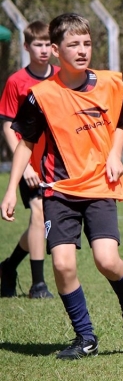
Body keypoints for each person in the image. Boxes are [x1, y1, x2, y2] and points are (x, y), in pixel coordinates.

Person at [1, 13, 123, 359]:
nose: (82, 50)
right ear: (56, 50)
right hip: (58, 190)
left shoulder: (109, 84)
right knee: (63, 264)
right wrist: (11, 189)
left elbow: (121, 123)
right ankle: (85, 337)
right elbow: (25, 143)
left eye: (87, 43)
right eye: (73, 45)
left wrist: (114, 155)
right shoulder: (41, 96)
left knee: (107, 260)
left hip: (99, 184)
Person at [0, 21, 57, 298]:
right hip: (30, 163)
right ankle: (38, 284)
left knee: (43, 223)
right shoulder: (17, 82)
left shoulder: (62, 77)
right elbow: (8, 126)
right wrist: (24, 167)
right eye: (37, 44)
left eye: (47, 44)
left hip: (56, 163)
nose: (43, 50)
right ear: (26, 46)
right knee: (39, 213)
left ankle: (8, 267)